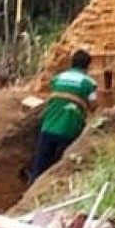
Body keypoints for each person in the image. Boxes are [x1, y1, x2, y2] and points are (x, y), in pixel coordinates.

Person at [27, 49, 97, 184]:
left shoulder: (58, 78)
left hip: (48, 126)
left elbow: (52, 91)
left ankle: (33, 186)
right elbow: (94, 105)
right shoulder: (89, 83)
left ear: (72, 63)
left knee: (40, 164)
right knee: (61, 166)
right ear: (88, 66)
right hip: (70, 128)